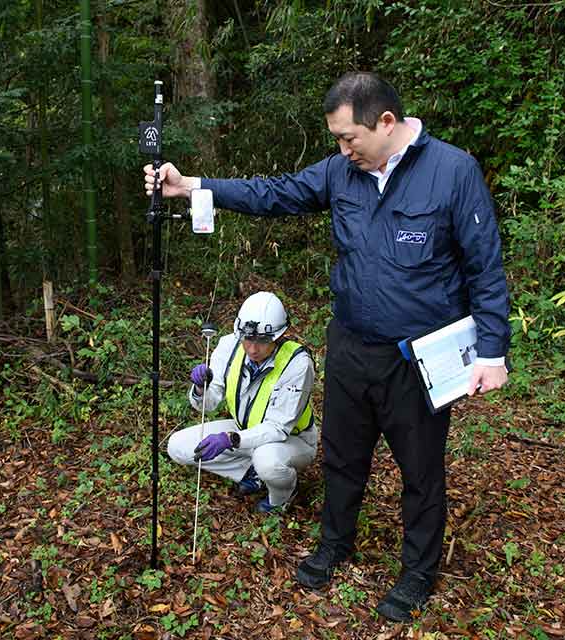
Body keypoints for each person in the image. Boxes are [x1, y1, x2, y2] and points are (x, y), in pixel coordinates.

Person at [145, 71, 510, 621]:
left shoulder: (452, 172)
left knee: (421, 470)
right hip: (350, 349)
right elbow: (276, 193)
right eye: (337, 140)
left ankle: (416, 573)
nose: (342, 150)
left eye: (348, 138)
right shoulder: (344, 172)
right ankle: (334, 543)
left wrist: (491, 354)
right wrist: (195, 185)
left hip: (419, 358)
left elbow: (485, 267)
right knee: (343, 456)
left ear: (386, 123)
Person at [167, 291, 317, 514]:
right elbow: (208, 405)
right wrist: (201, 388)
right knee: (177, 447)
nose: (253, 349)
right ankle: (249, 470)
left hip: (292, 440)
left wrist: (230, 439)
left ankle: (282, 496)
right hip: (244, 430)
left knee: (266, 460)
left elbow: (277, 428)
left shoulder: (298, 364)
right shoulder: (229, 346)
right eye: (248, 339)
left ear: (278, 336)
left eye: (263, 341)